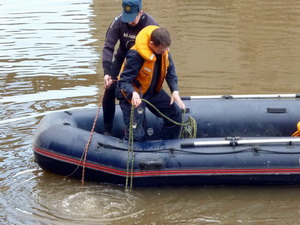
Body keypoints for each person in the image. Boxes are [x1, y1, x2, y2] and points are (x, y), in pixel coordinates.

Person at [116, 25, 186, 141]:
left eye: (165, 50)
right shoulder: (136, 55)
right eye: (160, 50)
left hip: (152, 91)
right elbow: (124, 80)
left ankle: (167, 145)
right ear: (151, 44)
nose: (164, 52)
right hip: (133, 94)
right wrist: (133, 93)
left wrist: (174, 91)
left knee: (175, 114)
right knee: (136, 136)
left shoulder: (164, 51)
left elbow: (170, 71)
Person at [102, 0, 158, 136]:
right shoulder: (118, 22)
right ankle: (107, 129)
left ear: (140, 12)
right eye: (127, 18)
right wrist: (107, 72)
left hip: (143, 62)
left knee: (141, 91)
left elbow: (160, 50)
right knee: (110, 89)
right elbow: (108, 47)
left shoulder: (151, 25)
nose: (130, 22)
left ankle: (141, 127)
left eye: (133, 18)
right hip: (123, 58)